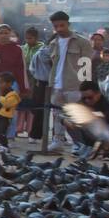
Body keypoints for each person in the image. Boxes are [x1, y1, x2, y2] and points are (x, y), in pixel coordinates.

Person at [37, 10, 94, 154]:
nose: (59, 29)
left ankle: (80, 143)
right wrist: (47, 43)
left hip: (75, 85)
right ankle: (58, 141)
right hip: (56, 84)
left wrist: (85, 87)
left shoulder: (82, 42)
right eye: (56, 26)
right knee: (57, 115)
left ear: (68, 24)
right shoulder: (53, 43)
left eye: (62, 25)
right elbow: (44, 60)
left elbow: (86, 66)